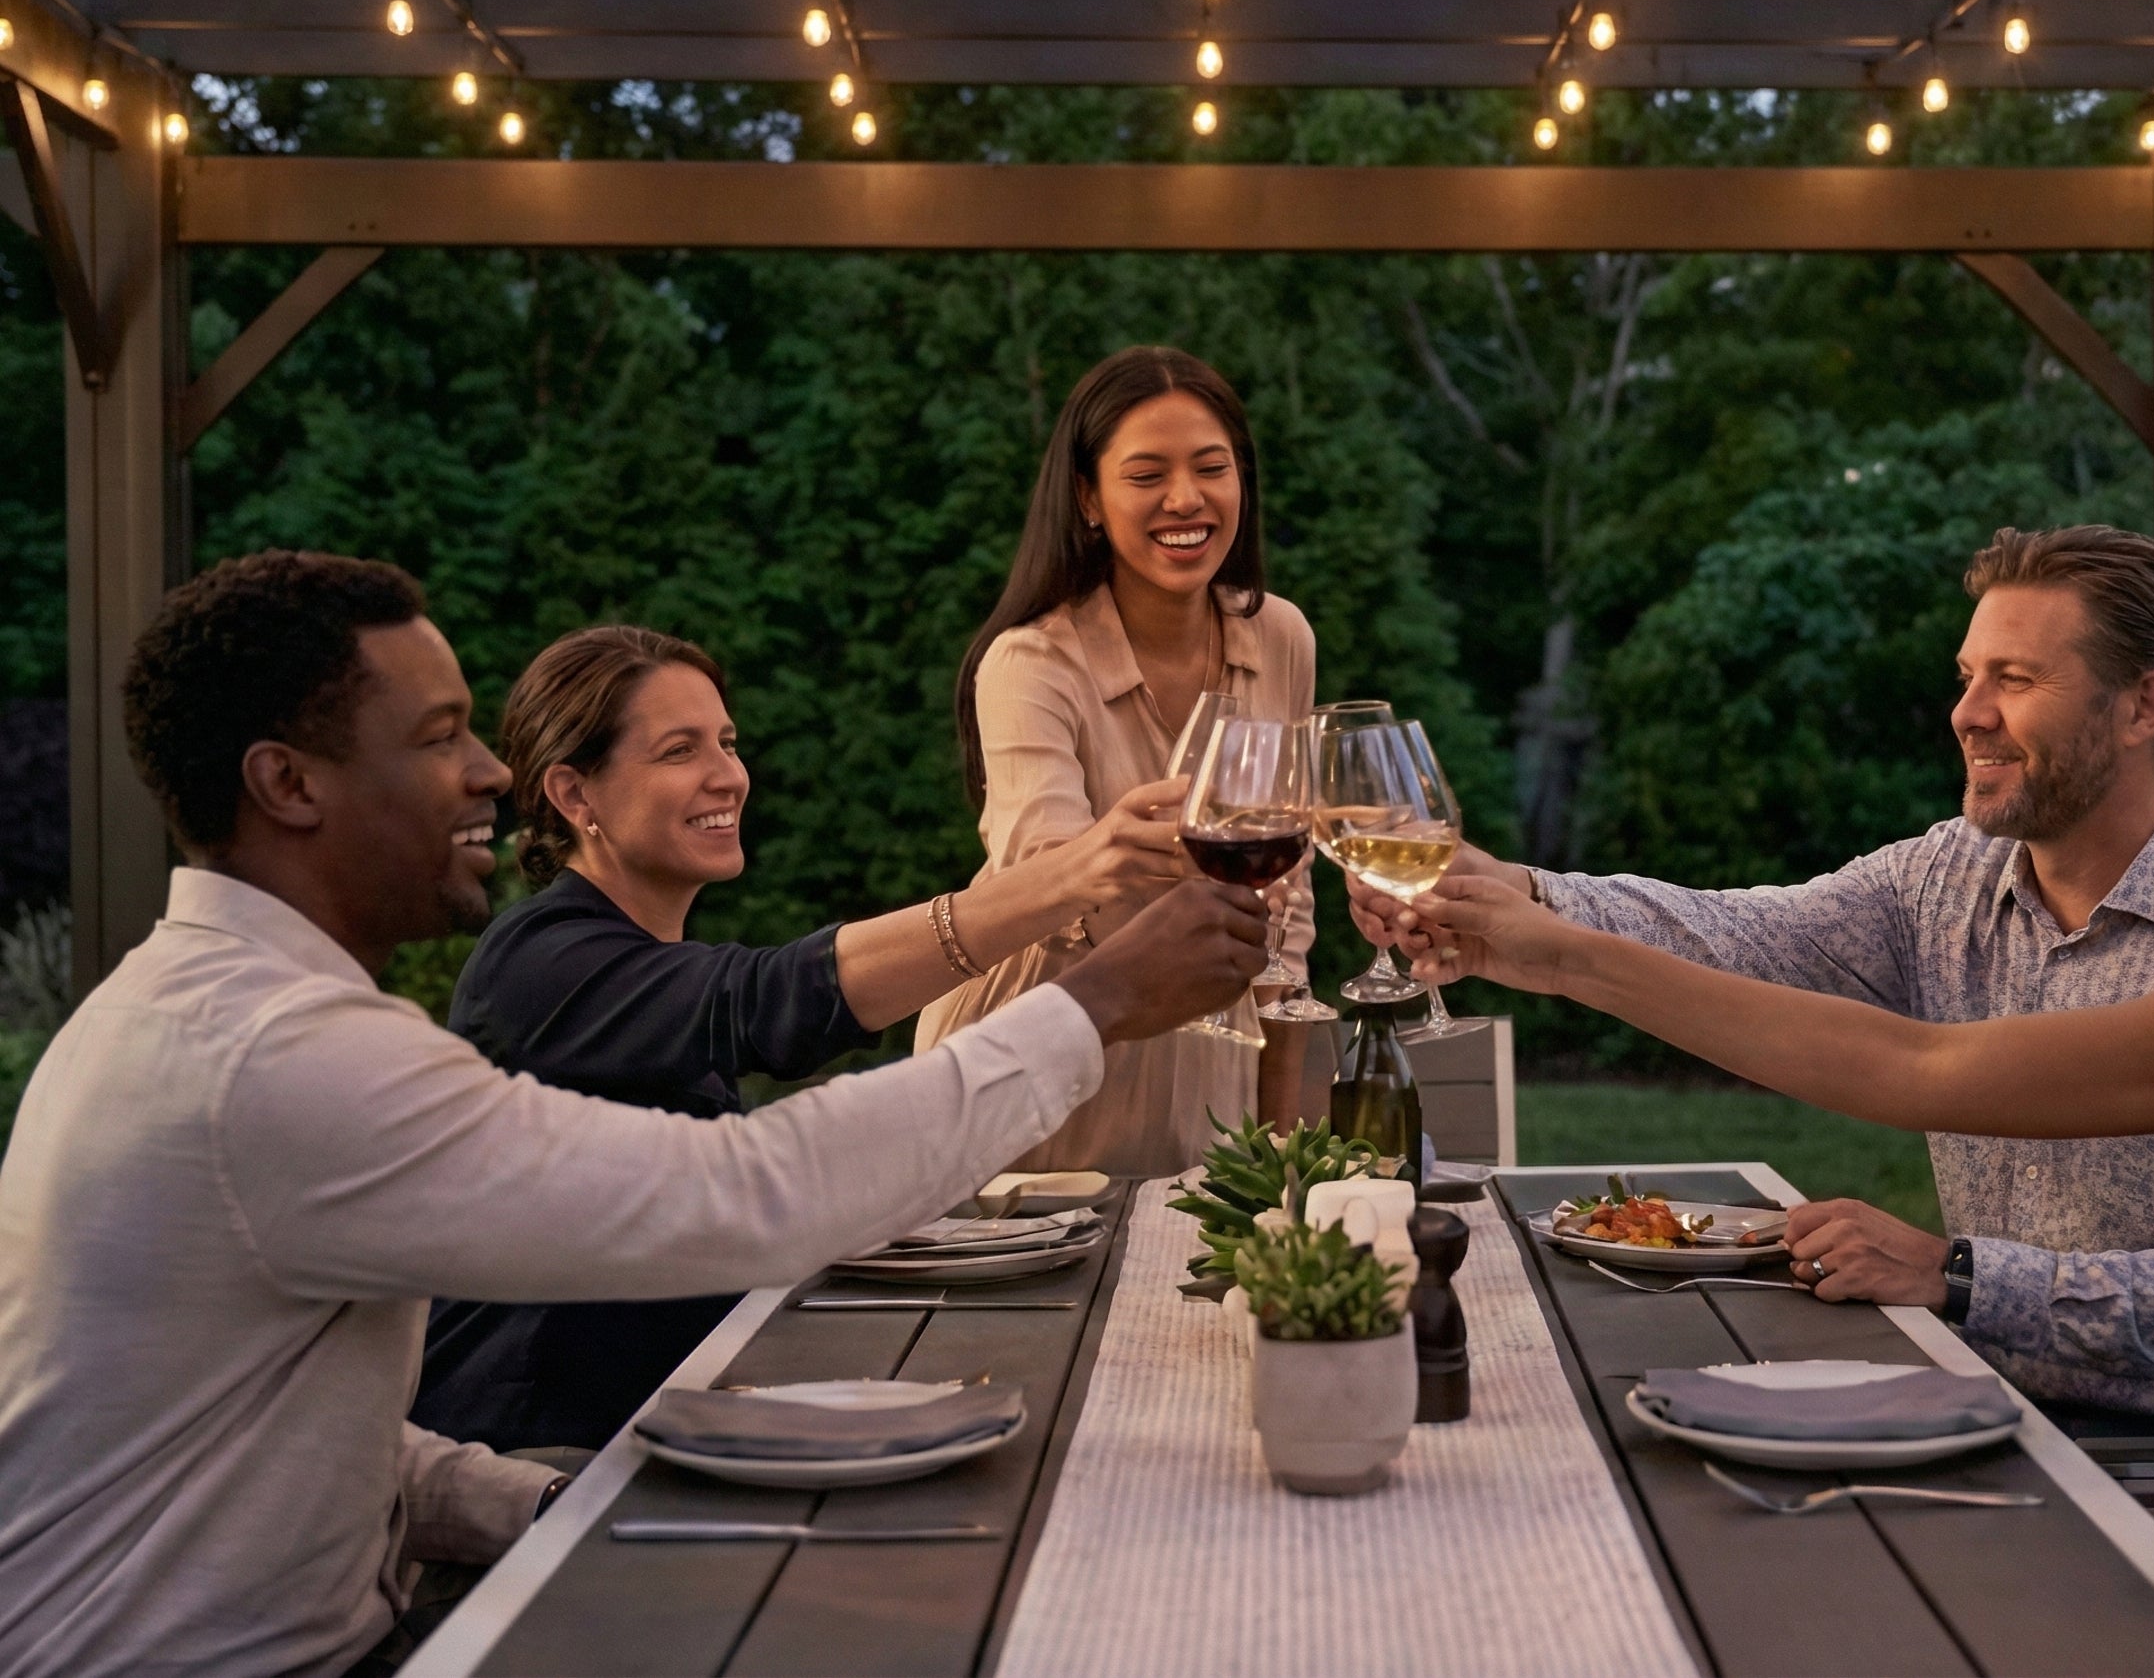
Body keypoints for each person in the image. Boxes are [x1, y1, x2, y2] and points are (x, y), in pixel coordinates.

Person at [0, 551, 1265, 1678]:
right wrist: (1088, 1001)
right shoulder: (274, 1056)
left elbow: (291, 1433)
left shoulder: (198, 1012)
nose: (489, 771)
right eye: (441, 736)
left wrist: (547, 1509)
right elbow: (753, 1193)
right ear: (288, 783)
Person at [1416, 506, 2154, 1668]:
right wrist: (1535, 919)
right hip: (2078, 1460)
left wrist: (1962, 1274)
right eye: (1967, 674)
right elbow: (1898, 1058)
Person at [1363, 524, 2154, 1433]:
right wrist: (1524, 893)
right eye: (1967, 675)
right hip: (1978, 1402)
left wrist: (1964, 1275)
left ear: (2143, 707)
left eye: (2016, 679)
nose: (1968, 712)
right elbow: (1739, 938)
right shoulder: (1949, 875)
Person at [414, 624, 1189, 1453]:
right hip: (536, 1466)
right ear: (575, 795)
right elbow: (773, 999)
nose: (728, 775)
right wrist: (1073, 878)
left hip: (671, 1426)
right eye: (679, 750)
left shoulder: (631, 957)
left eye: (727, 741)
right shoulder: (538, 964)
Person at [920, 344, 1318, 1175]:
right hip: (1039, 1045)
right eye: (1147, 474)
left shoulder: (1280, 635)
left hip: (1209, 1060)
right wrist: (1204, 865)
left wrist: (1285, 1143)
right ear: (1088, 499)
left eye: (1213, 467)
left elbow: (1288, 912)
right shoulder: (1031, 663)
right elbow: (1053, 888)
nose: (1187, 498)